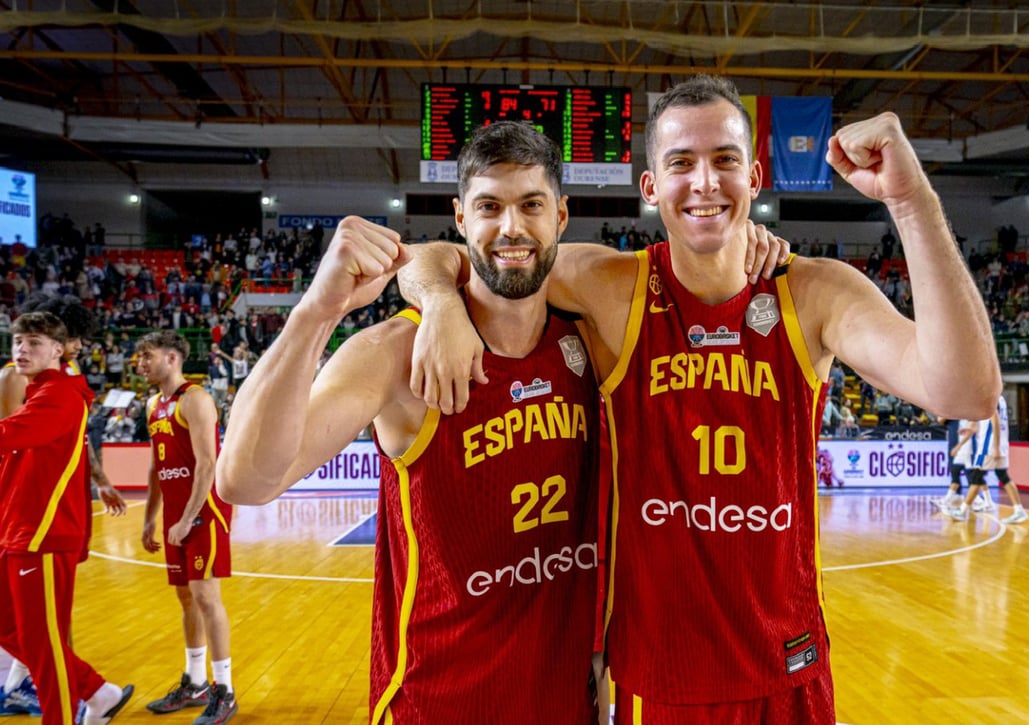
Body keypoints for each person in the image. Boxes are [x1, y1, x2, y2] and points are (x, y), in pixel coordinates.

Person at [399, 75, 999, 722]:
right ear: (651, 187)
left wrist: (912, 203)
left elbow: (966, 390)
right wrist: (438, 302)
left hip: (786, 669)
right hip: (656, 680)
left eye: (725, 161)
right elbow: (442, 255)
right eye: (682, 163)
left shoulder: (816, 291)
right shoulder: (610, 284)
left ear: (755, 176)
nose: (705, 182)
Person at [216, 123, 611, 723]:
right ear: (459, 216)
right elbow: (244, 482)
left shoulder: (591, 330)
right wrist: (315, 313)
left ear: (560, 215)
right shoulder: (395, 352)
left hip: (566, 699)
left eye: (530, 204)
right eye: (488, 206)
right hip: (437, 701)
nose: (511, 227)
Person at [0, 312, 133, 725]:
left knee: (44, 645)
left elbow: (9, 435)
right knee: (10, 630)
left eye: (33, 342)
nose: (22, 349)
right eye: (18, 341)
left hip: (42, 533)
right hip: (17, 528)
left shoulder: (59, 394)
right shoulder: (41, 389)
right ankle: (97, 691)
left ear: (59, 350)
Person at [135, 331, 238, 724]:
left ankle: (224, 688)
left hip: (204, 512)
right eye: (139, 358)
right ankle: (195, 682)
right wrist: (150, 518)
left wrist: (187, 517)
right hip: (176, 517)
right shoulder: (151, 405)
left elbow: (208, 464)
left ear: (173, 357)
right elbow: (156, 467)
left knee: (206, 596)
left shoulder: (194, 399)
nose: (141, 364)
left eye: (148, 356)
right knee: (185, 598)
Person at [948, 394, 1027, 524]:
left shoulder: (989, 398)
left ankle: (963, 511)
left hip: (988, 446)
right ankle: (1019, 510)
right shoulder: (1000, 399)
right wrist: (968, 429)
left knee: (976, 477)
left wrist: (995, 447)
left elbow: (994, 420)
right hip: (1000, 444)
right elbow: (979, 425)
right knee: (1002, 476)